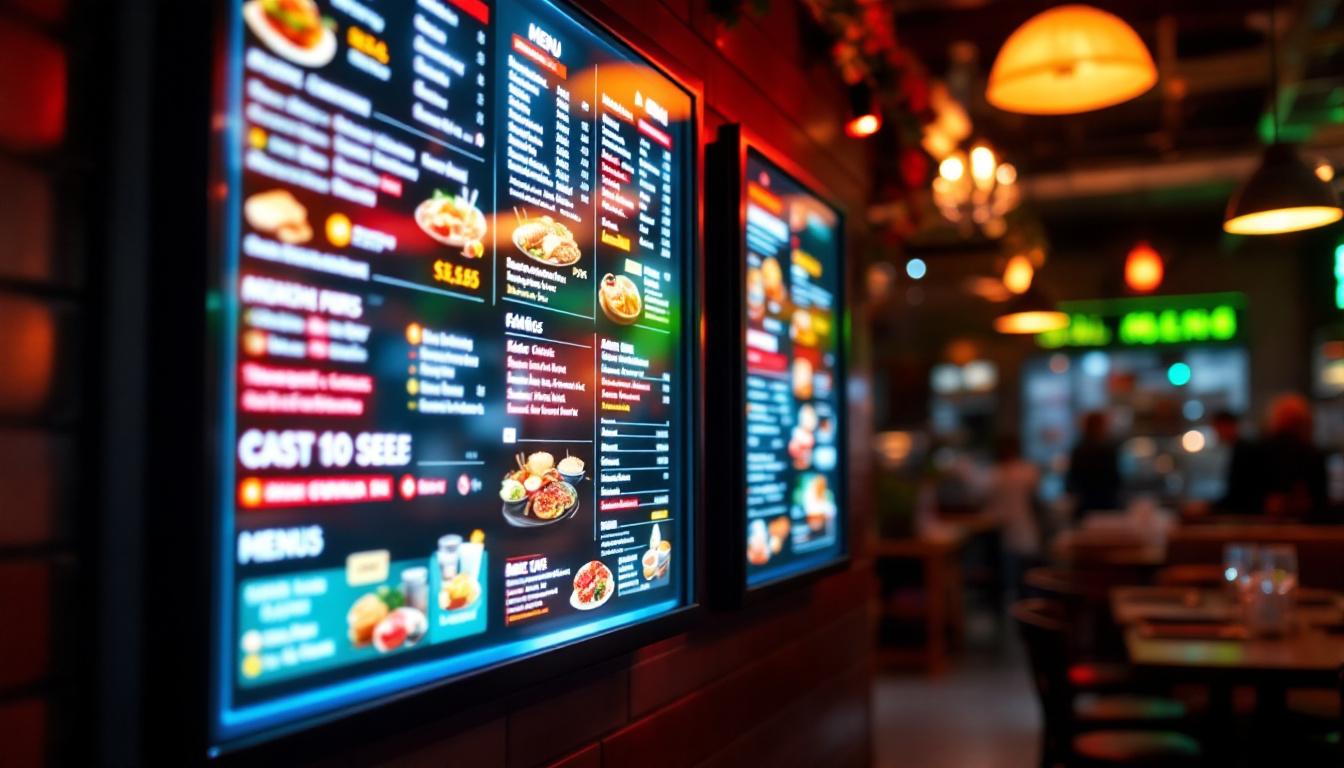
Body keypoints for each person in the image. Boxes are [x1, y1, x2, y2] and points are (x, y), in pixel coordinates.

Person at [983, 435, 1041, 596]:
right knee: (1026, 580)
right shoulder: (1026, 471)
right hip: (1018, 530)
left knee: (1012, 580)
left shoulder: (996, 474)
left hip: (1006, 531)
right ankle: (1024, 613)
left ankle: (1015, 611)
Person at [1258, 394, 1328, 519]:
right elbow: (1320, 499)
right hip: (1307, 525)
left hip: (1263, 523)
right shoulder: (1312, 453)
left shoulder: (1260, 450)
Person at [1065, 410, 1120, 520]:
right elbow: (1115, 480)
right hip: (1107, 505)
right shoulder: (1108, 450)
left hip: (1084, 506)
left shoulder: (1078, 450)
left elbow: (1071, 481)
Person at [1212, 409, 1261, 514]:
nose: (1216, 433)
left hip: (1247, 513)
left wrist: (1210, 508)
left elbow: (1239, 493)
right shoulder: (1241, 448)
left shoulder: (1243, 451)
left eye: (1216, 428)